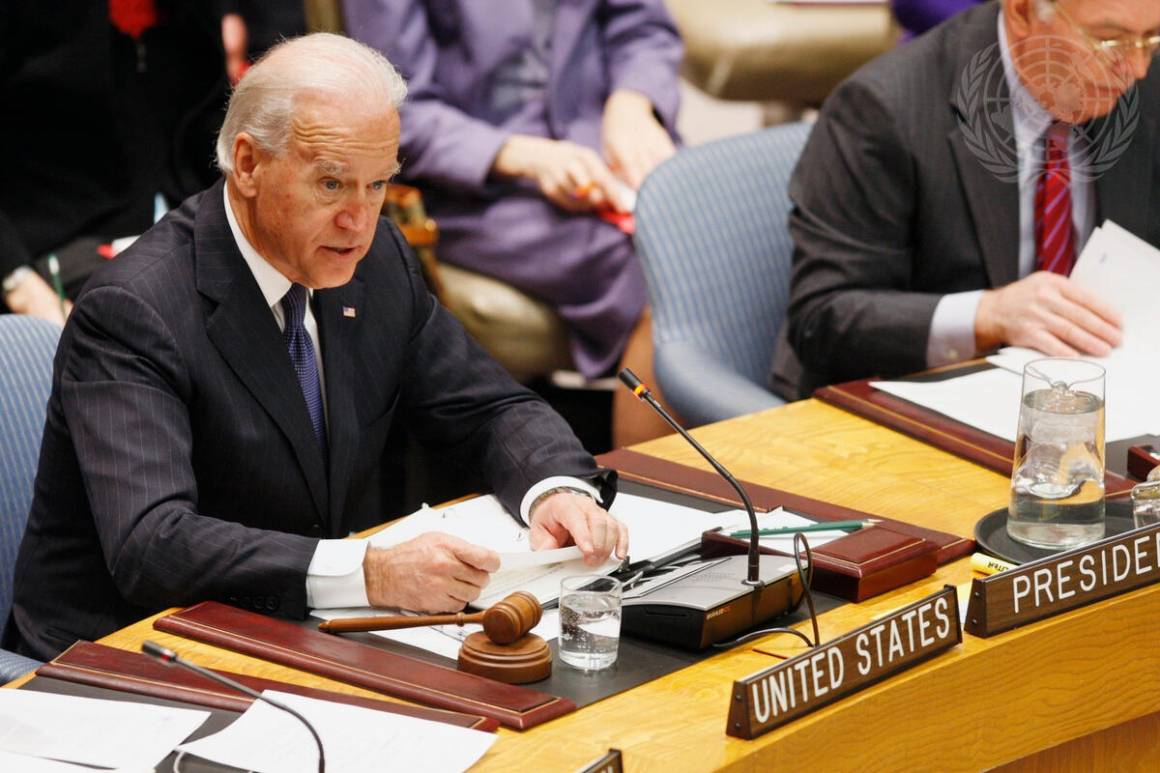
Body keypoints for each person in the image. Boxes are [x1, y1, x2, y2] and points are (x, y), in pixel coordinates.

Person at [4, 33, 627, 661]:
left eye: (377, 184)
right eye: (331, 184)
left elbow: (487, 407)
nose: (359, 221)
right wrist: (370, 572)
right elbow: (154, 544)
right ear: (248, 164)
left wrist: (555, 490)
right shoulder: (135, 309)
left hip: (294, 630)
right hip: (123, 657)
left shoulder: (375, 261)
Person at [771, 0, 1160, 400]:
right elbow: (823, 316)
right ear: (1022, 12)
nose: (1136, 68)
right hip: (913, 393)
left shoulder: (1144, 80)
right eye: (1108, 39)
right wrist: (988, 315)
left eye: (1151, 38)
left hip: (1106, 385)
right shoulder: (886, 108)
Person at [341, 0, 683, 444]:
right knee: (673, 280)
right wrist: (520, 155)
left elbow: (643, 26)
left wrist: (633, 101)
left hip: (606, 144)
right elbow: (393, 108)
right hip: (476, 184)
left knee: (738, 234)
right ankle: (660, 482)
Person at [0, 1, 239, 326]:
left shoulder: (189, 15)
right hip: (53, 241)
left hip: (181, 224)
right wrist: (18, 281)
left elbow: (208, 133)